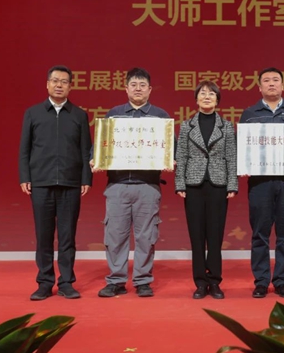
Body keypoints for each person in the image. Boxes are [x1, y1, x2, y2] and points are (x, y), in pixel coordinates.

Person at [92, 67, 171, 298]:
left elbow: (170, 147)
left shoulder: (160, 117)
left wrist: (170, 158)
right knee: (115, 235)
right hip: (117, 185)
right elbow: (100, 146)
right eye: (133, 85)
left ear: (150, 89)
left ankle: (143, 280)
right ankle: (116, 280)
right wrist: (95, 159)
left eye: (142, 85)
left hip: (148, 186)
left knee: (146, 236)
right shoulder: (114, 115)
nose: (138, 89)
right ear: (126, 88)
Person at [19, 65, 92, 301]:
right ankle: (44, 282)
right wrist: (25, 177)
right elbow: (25, 149)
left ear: (70, 86)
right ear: (47, 84)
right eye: (55, 81)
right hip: (41, 182)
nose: (59, 85)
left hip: (71, 183)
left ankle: (66, 282)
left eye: (64, 82)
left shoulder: (79, 115)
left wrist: (86, 179)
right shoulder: (33, 113)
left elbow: (86, 150)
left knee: (68, 236)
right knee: (44, 236)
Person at [240, 67, 284, 299]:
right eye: (266, 80)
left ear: (283, 85)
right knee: (260, 233)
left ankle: (281, 281)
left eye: (275, 80)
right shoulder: (249, 114)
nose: (271, 84)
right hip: (260, 182)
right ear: (259, 87)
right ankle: (261, 281)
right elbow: (242, 147)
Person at [175, 81, 238, 299]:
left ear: (217, 99)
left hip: (218, 185)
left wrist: (232, 184)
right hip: (193, 185)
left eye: (211, 94)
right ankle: (200, 282)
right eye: (202, 93)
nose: (207, 97)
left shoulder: (226, 126)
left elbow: (231, 157)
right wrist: (180, 183)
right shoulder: (187, 126)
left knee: (215, 236)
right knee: (196, 236)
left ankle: (215, 281)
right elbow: (182, 155)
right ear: (196, 99)